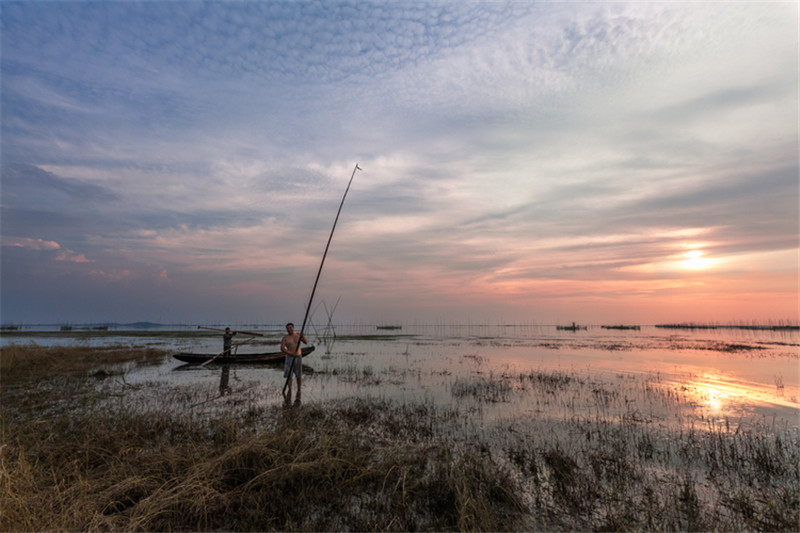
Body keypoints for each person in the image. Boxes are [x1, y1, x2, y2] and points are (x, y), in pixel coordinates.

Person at [281, 322, 307, 400]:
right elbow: (282, 348)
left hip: (298, 357)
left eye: (290, 327)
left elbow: (305, 342)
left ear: (293, 328)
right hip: (289, 357)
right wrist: (291, 353)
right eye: (287, 328)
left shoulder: (298, 335)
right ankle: (290, 389)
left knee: (299, 374)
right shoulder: (285, 338)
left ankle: (299, 389)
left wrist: (303, 336)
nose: (289, 329)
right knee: (289, 375)